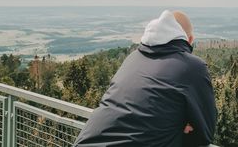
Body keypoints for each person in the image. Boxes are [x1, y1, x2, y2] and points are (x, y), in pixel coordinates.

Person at [73, 10, 217, 147]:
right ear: (190, 40)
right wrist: (178, 128)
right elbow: (204, 133)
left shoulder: (132, 58)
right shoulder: (192, 66)